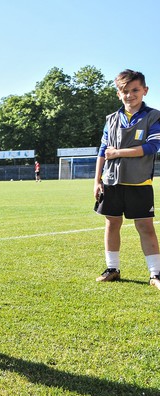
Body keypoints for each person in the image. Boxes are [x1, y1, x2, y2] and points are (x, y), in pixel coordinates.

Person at [93, 69, 160, 289]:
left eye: (135, 90)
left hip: (139, 182)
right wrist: (97, 180)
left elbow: (152, 146)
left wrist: (119, 152)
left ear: (145, 91)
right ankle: (112, 268)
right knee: (112, 224)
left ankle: (156, 274)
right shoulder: (111, 119)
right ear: (118, 94)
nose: (130, 95)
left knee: (145, 227)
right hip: (111, 181)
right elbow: (103, 151)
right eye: (124, 91)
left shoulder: (153, 116)